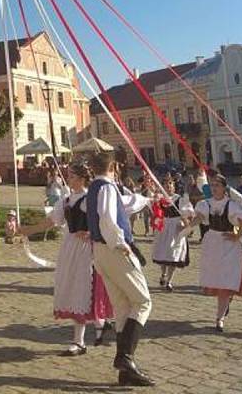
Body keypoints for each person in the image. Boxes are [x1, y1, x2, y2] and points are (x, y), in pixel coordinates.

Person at [19, 162, 113, 356]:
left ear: (80, 179)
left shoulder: (91, 199)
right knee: (72, 289)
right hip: (70, 249)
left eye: (70, 176)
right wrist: (25, 230)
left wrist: (91, 233)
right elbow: (50, 222)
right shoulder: (66, 201)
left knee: (85, 288)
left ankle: (95, 328)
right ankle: (83, 338)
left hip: (88, 250)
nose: (67, 179)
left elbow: (105, 221)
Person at [86, 152, 153, 387]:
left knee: (123, 306)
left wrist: (146, 198)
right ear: (114, 166)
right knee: (143, 302)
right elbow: (107, 218)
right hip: (113, 249)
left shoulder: (96, 188)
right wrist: (121, 244)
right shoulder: (105, 187)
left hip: (100, 252)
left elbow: (123, 204)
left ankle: (127, 370)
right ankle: (124, 357)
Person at [186, 174, 242, 332]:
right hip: (213, 244)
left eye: (217, 185)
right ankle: (225, 304)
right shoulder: (205, 204)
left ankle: (219, 318)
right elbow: (200, 218)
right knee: (218, 279)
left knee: (226, 280)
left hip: (228, 245)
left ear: (224, 187)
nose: (214, 188)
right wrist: (187, 226)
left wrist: (237, 235)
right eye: (212, 185)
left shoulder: (231, 205)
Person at [151, 178, 194, 291]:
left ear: (174, 186)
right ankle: (163, 274)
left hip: (175, 228)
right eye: (165, 184)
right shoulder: (159, 199)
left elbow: (188, 214)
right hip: (163, 227)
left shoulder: (179, 199)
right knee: (163, 253)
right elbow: (154, 212)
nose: (168, 186)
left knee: (173, 253)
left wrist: (185, 224)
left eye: (170, 184)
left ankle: (169, 281)